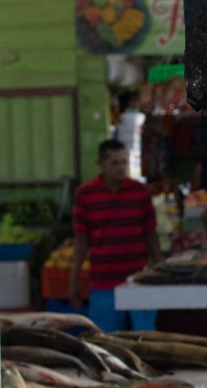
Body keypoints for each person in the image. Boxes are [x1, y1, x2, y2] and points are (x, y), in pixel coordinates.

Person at [68, 140, 162, 332]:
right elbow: (81, 241)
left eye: (124, 162)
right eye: (114, 163)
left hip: (139, 280)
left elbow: (151, 234)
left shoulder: (140, 192)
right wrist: (73, 281)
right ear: (100, 163)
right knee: (105, 340)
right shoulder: (84, 195)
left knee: (146, 337)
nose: (121, 168)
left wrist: (159, 268)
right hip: (103, 281)